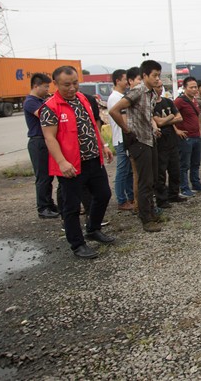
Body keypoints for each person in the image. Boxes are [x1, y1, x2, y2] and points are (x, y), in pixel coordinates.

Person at [41, 66, 114, 258]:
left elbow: (92, 127)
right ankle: (77, 244)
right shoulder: (50, 107)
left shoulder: (83, 99)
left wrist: (103, 145)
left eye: (75, 83)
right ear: (55, 84)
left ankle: (93, 228)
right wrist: (62, 162)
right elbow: (50, 138)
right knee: (71, 206)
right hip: (71, 165)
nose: (72, 88)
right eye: (67, 85)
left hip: (92, 159)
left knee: (103, 194)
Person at [108, 60, 164, 233]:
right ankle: (145, 218)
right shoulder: (137, 91)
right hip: (139, 141)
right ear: (145, 75)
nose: (157, 79)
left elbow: (148, 116)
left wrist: (154, 128)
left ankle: (151, 212)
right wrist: (127, 130)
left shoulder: (152, 94)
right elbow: (114, 110)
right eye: (154, 75)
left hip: (149, 139)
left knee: (153, 178)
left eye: (158, 75)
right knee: (144, 181)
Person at [23, 73, 60, 219]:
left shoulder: (40, 100)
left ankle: (49, 204)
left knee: (49, 175)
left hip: (45, 140)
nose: (47, 90)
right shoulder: (31, 102)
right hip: (38, 141)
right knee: (43, 176)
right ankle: (43, 208)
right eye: (45, 87)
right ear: (36, 86)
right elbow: (45, 115)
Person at [175, 76, 201, 195]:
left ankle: (196, 183)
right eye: (192, 87)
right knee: (184, 164)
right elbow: (171, 115)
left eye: (195, 87)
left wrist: (199, 129)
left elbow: (198, 116)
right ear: (185, 88)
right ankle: (184, 187)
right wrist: (176, 130)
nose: (195, 89)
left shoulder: (195, 101)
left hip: (196, 136)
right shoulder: (179, 101)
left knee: (196, 162)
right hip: (186, 137)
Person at [106, 69, 135, 212]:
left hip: (125, 139)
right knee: (122, 171)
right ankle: (121, 200)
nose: (127, 82)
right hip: (120, 139)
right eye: (125, 79)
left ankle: (130, 197)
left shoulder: (121, 96)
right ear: (118, 81)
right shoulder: (115, 98)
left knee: (129, 171)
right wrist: (126, 129)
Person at [152, 83, 185, 204]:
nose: (160, 89)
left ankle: (174, 194)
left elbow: (180, 117)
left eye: (161, 86)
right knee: (161, 171)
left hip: (172, 140)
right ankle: (161, 198)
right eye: (157, 86)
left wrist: (166, 120)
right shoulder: (151, 105)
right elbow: (158, 123)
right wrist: (171, 116)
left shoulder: (168, 101)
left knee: (175, 169)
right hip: (161, 142)